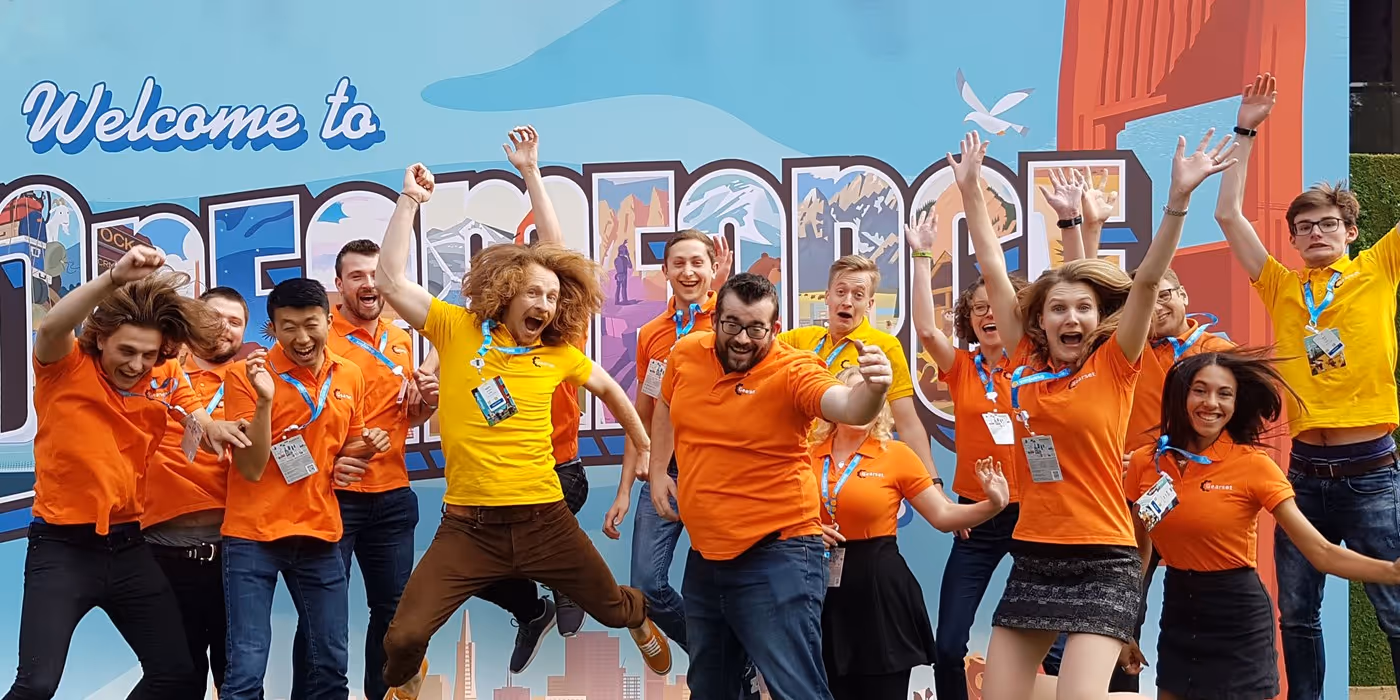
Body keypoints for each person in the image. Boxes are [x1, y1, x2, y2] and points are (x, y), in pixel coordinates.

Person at [956, 124, 1239, 700]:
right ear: (1040, 320)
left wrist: (1179, 199)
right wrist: (969, 191)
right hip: (1034, 553)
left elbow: (1148, 280)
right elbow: (991, 264)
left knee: (1077, 696)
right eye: (1058, 308)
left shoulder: (1115, 363)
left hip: (1104, 557)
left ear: (1097, 316)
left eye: (1083, 308)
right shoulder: (1024, 359)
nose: (1071, 318)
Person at [378, 163, 672, 699]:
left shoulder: (558, 353)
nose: (544, 305)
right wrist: (409, 201)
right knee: (403, 637)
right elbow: (391, 281)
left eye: (553, 297)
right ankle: (409, 676)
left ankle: (638, 616)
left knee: (611, 608)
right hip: (468, 528)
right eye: (534, 293)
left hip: (546, 521)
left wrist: (647, 446)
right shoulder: (456, 329)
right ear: (508, 291)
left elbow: (611, 391)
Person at [1215, 73, 1400, 699]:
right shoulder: (1280, 285)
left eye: (1328, 223)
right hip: (1303, 473)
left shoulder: (1378, 269)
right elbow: (1227, 214)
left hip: (1371, 472)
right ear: (1292, 239)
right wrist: (1245, 130)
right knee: (1296, 614)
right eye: (1304, 226)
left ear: (1351, 232)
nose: (1316, 232)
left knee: (1395, 612)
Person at [8, 246, 248, 700]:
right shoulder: (64, 368)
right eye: (127, 351)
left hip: (128, 547)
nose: (136, 365)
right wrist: (115, 278)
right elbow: (55, 325)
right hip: (62, 548)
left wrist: (212, 426)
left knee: (175, 674)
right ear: (100, 339)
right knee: (37, 683)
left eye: (147, 354)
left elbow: (190, 405)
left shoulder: (161, 374)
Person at [646, 271, 894, 700]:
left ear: (774, 328)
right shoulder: (686, 353)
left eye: (756, 328)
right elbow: (666, 403)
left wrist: (873, 390)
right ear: (715, 320)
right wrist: (657, 471)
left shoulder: (794, 370)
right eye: (732, 324)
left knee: (795, 691)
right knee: (710, 690)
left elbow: (849, 407)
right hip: (706, 558)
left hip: (778, 555)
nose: (743, 339)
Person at [1123, 350, 1400, 699]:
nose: (1211, 403)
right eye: (1200, 390)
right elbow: (1137, 550)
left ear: (1236, 404)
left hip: (1237, 618)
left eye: (1224, 394)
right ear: (1180, 396)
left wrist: (1392, 571)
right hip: (1178, 612)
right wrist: (1124, 626)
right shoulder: (1146, 462)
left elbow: (1321, 552)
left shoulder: (1254, 466)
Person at [907, 211, 1062, 698]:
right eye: (977, 308)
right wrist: (921, 255)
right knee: (948, 643)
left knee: (1053, 644)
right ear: (969, 319)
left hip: (1033, 514)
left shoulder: (1037, 363)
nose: (988, 313)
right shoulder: (961, 367)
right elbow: (926, 331)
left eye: (997, 304)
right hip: (976, 517)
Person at [220, 278, 392, 700]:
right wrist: (265, 401)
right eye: (289, 327)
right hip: (253, 535)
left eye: (311, 324)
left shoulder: (349, 374)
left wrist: (368, 447)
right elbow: (251, 466)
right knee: (245, 671)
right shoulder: (245, 375)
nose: (301, 338)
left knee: (330, 665)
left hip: (320, 532)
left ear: (329, 321)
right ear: (272, 329)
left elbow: (346, 446)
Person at [288, 240, 439, 700]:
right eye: (357, 276)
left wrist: (424, 405)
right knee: (321, 613)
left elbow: (406, 417)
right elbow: (298, 416)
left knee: (392, 614)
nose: (369, 284)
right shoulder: (318, 338)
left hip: (392, 496)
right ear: (339, 284)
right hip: (333, 497)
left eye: (375, 274)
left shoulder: (400, 339)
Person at [808, 366, 1010, 699]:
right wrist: (805, 529)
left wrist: (992, 505)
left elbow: (943, 515)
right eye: (855, 394)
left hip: (878, 593)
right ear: (835, 404)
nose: (863, 402)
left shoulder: (896, 455)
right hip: (817, 590)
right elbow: (774, 514)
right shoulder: (805, 456)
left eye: (872, 395)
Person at [141, 285, 251, 697]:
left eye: (235, 321)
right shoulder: (153, 370)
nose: (224, 327)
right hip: (162, 551)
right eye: (213, 317)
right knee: (176, 678)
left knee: (237, 675)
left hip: (235, 554)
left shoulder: (256, 383)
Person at [777, 255, 944, 485]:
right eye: (840, 292)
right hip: (798, 469)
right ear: (827, 296)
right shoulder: (798, 340)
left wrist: (934, 483)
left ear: (869, 304)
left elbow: (907, 423)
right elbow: (752, 345)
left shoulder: (884, 347)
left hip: (853, 474)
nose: (847, 301)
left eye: (858, 295)